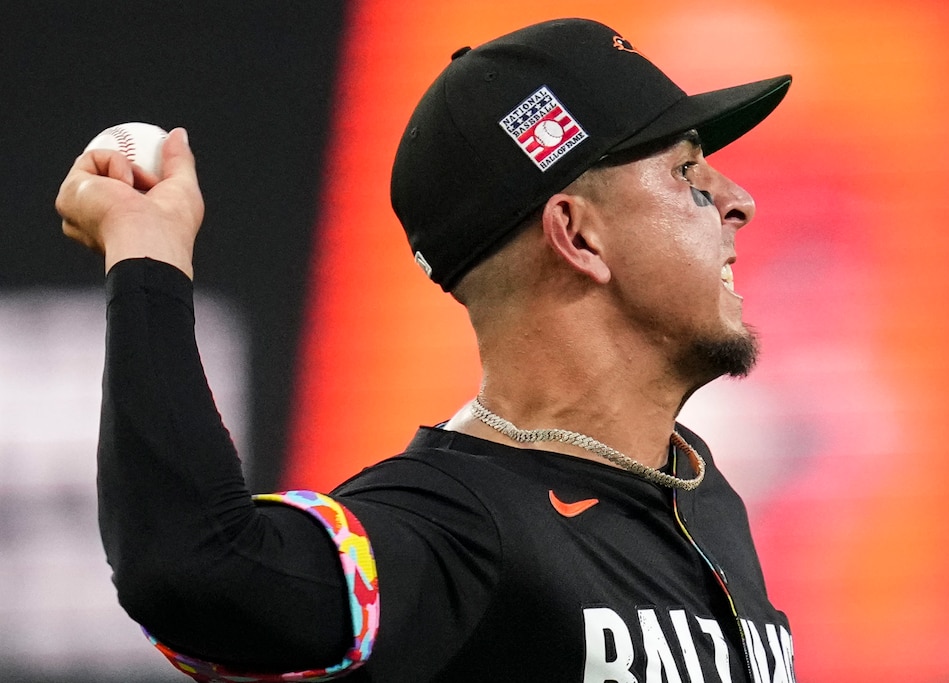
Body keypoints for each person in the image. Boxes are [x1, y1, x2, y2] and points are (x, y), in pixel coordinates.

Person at [55, 17, 794, 683]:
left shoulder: (698, 488)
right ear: (577, 235)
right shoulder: (459, 527)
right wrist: (147, 250)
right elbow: (199, 566)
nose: (737, 200)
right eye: (687, 171)